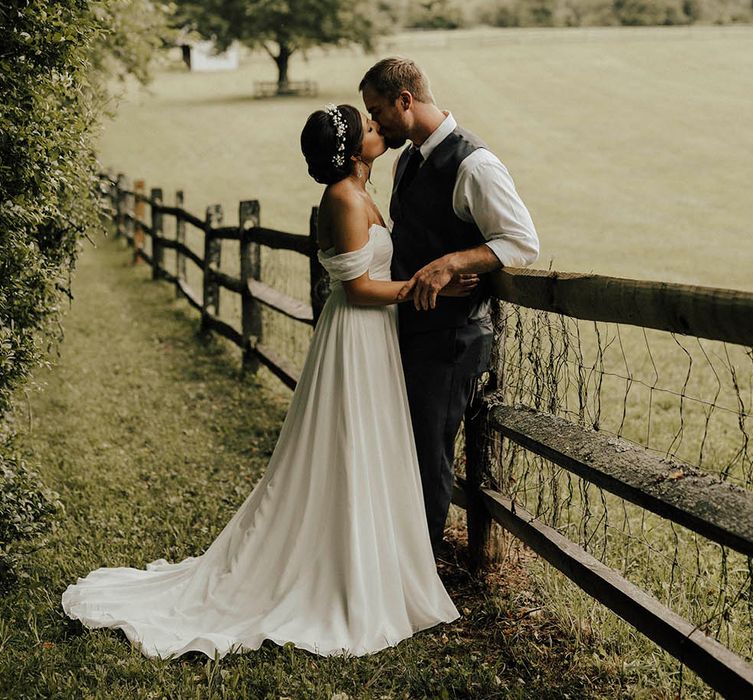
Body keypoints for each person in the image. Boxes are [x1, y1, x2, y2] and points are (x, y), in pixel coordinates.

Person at [61, 104, 474, 659]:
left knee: (367, 445)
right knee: (347, 444)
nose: (380, 131)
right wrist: (428, 289)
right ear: (354, 152)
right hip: (356, 332)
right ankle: (338, 571)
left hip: (372, 337)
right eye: (371, 129)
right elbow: (357, 292)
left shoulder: (355, 190)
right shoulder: (345, 200)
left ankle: (372, 558)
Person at [359, 57, 540, 553]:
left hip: (451, 337)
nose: (374, 124)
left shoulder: (474, 164)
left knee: (428, 454)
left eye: (378, 111)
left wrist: (453, 263)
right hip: (412, 329)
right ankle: (398, 560)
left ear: (406, 100)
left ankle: (418, 571)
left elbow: (522, 242)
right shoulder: (407, 159)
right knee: (404, 447)